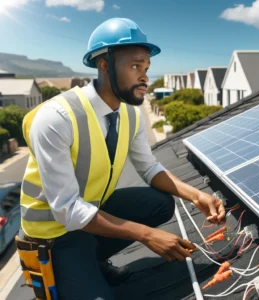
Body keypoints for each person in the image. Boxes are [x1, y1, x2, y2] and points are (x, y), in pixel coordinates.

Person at [19, 18, 225, 299]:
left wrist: (195, 196)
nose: (144, 77)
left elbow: (149, 167)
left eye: (146, 68)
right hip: (55, 234)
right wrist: (146, 235)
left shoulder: (130, 114)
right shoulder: (57, 118)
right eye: (135, 66)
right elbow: (66, 211)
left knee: (161, 204)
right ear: (104, 65)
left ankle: (93, 257)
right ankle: (82, 264)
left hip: (90, 211)